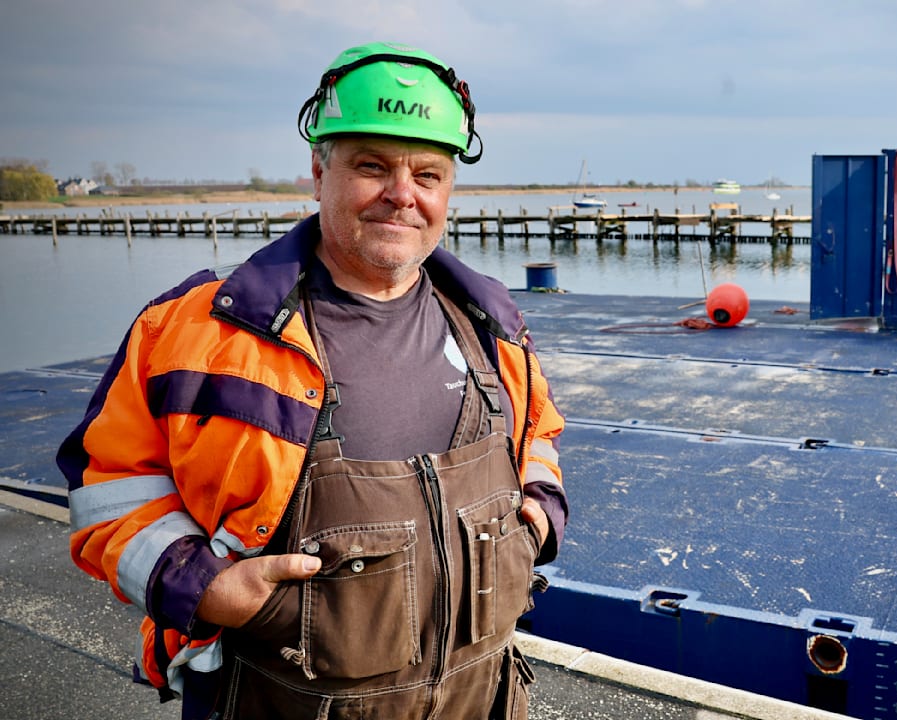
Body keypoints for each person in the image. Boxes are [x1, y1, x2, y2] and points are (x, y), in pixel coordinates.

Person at [57, 41, 566, 720]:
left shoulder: (493, 326)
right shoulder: (197, 333)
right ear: (318, 171)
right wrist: (203, 588)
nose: (402, 194)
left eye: (428, 173)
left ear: (449, 190)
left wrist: (540, 515)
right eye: (371, 166)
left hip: (483, 700)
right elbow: (108, 490)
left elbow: (539, 438)